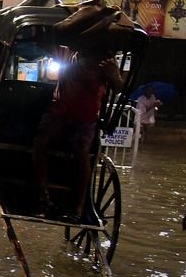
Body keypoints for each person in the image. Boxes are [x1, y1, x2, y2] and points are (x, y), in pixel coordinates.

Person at [33, 48, 124, 221]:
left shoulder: (106, 61)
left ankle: (77, 208)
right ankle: (44, 197)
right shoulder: (67, 52)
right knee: (41, 140)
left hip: (85, 118)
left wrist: (114, 75)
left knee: (81, 151)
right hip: (59, 112)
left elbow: (118, 87)